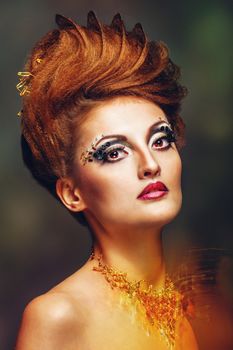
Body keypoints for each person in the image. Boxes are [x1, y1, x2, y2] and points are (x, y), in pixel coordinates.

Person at [15, 11, 199, 349]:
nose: (150, 165)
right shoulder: (59, 315)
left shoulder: (189, 308)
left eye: (160, 140)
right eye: (114, 152)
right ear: (72, 193)